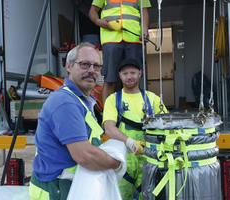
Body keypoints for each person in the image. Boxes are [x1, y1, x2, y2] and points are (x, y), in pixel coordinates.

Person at [29, 42, 121, 200]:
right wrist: (117, 163)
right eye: (85, 64)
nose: (91, 70)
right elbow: (84, 155)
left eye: (97, 66)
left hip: (73, 184)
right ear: (69, 66)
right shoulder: (66, 102)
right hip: (57, 189)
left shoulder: (83, 100)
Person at [102, 58, 167, 200]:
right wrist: (130, 142)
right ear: (120, 76)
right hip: (122, 163)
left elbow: (166, 127)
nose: (129, 76)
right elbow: (109, 129)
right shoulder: (113, 100)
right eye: (125, 73)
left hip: (149, 161)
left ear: (140, 73)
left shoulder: (153, 99)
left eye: (133, 72)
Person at [89, 0, 151, 105]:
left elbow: (144, 11)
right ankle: (107, 117)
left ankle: (133, 115)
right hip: (110, 38)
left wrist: (144, 30)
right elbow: (93, 11)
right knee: (110, 79)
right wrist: (98, 21)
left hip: (134, 38)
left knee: (133, 79)